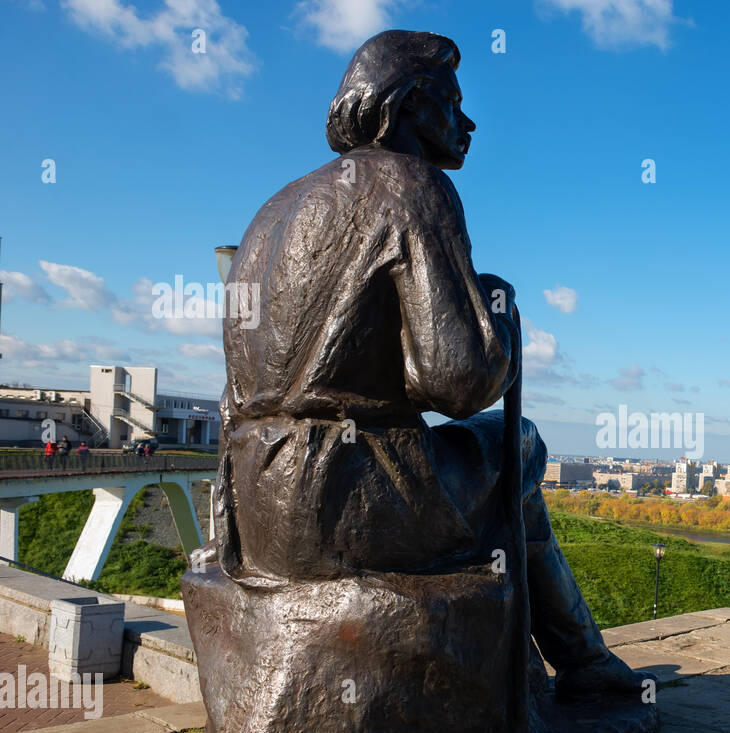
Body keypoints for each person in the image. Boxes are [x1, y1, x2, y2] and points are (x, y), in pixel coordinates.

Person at [215, 30, 647, 699]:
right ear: (410, 104)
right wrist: (495, 314)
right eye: (453, 101)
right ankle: (584, 664)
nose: (467, 122)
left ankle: (565, 660)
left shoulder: (276, 208)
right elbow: (458, 380)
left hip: (258, 505)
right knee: (519, 445)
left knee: (497, 453)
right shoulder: (414, 185)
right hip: (343, 493)